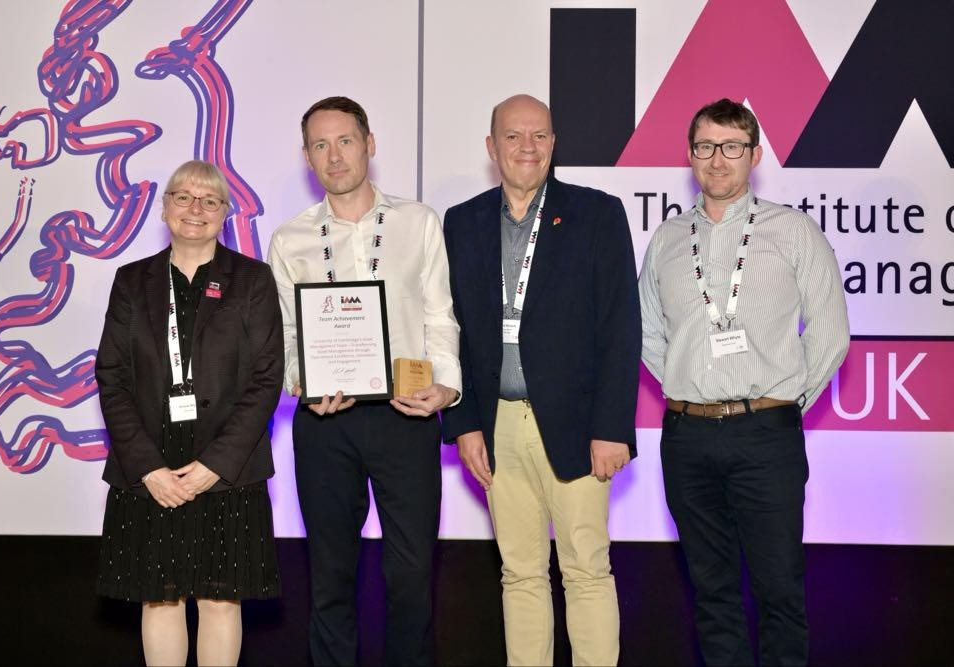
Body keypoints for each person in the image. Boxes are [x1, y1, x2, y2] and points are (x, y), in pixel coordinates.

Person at [639, 98, 850, 666]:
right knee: (712, 594)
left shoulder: (793, 231)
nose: (717, 159)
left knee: (779, 590)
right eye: (706, 146)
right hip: (687, 438)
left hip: (766, 437)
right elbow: (648, 333)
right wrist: (687, 387)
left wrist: (782, 403)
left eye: (732, 147)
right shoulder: (667, 240)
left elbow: (831, 333)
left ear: (754, 156)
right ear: (690, 155)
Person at [442, 94, 641, 666]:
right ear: (491, 146)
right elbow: (452, 329)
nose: (527, 147)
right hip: (496, 426)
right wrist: (464, 424)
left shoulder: (597, 214)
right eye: (513, 136)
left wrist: (612, 428)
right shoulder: (462, 221)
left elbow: (621, 327)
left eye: (539, 136)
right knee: (520, 573)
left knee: (586, 569)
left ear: (553, 143)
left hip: (577, 426)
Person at [267, 96, 461, 666]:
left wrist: (446, 386)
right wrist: (302, 381)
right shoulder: (289, 239)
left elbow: (439, 314)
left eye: (345, 141)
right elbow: (284, 333)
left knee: (412, 573)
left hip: (405, 414)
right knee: (329, 575)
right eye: (320, 145)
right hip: (326, 422)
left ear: (369, 144)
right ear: (307, 157)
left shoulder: (418, 222)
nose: (335, 156)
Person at [95, 160, 284, 666]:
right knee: (159, 598)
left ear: (225, 213)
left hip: (228, 470)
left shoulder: (253, 279)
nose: (195, 208)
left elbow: (267, 379)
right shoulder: (131, 281)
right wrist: (148, 469)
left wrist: (214, 465)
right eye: (183, 196)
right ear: (164, 208)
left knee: (221, 600)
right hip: (150, 469)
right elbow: (111, 377)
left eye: (209, 200)